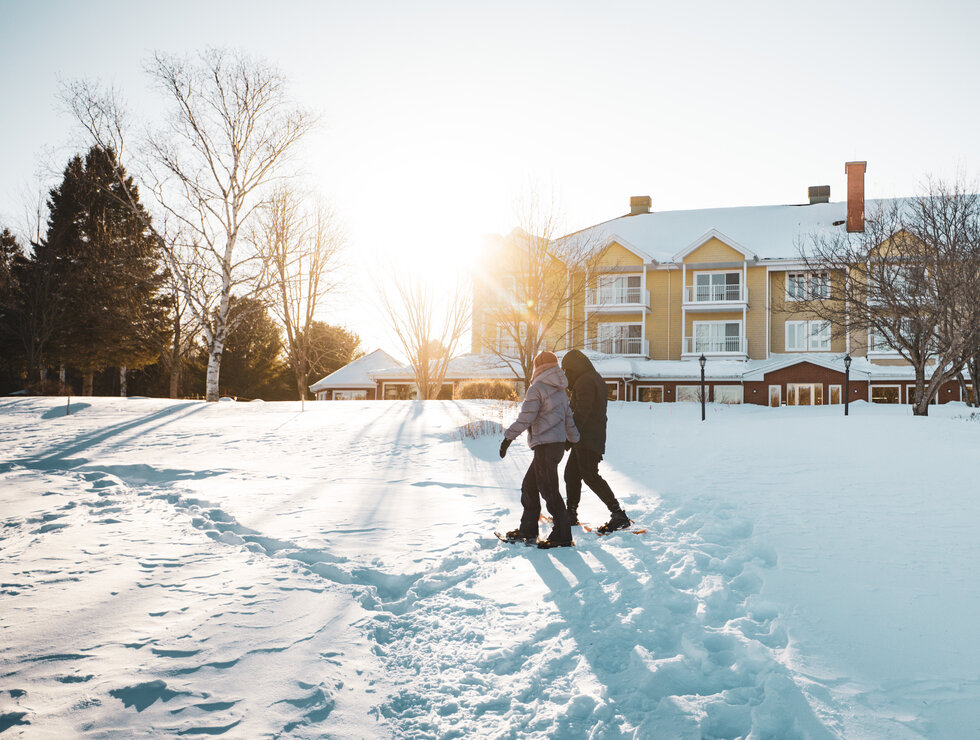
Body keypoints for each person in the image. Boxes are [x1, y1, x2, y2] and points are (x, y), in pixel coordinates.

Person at [499, 350, 580, 548]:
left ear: (537, 367)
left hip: (545, 447)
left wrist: (508, 438)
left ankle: (562, 535)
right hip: (555, 447)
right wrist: (574, 439)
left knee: (549, 490)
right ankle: (528, 530)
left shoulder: (537, 388)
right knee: (530, 486)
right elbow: (569, 418)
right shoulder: (561, 390)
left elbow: (526, 418)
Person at [560, 349, 631, 533]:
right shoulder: (592, 377)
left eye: (567, 370)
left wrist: (568, 438)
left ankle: (618, 514)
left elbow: (581, 413)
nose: (566, 374)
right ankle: (571, 514)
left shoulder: (585, 382)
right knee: (571, 475)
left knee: (590, 475)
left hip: (587, 437)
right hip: (586, 437)